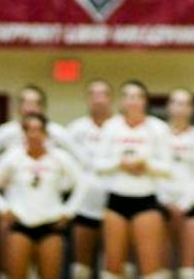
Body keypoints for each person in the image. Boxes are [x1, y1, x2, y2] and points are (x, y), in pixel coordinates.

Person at [96, 80, 173, 279]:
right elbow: (98, 165)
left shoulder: (159, 128)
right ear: (122, 101)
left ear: (145, 101)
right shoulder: (111, 127)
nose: (133, 101)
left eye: (138, 97)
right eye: (128, 97)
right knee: (112, 268)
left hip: (146, 201)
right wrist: (120, 163)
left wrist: (146, 164)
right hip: (116, 200)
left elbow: (168, 168)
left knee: (151, 268)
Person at [0, 113, 85, 279]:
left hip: (50, 226)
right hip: (21, 225)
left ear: (45, 133)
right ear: (24, 133)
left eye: (38, 130)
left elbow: (82, 182)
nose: (34, 134)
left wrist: (69, 211)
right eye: (29, 130)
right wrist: (3, 208)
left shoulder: (59, 157)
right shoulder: (12, 157)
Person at [160, 89, 194, 279]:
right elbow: (153, 172)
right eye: (175, 102)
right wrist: (166, 202)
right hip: (161, 205)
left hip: (191, 207)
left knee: (188, 269)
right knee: (161, 268)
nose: (180, 108)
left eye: (185, 104)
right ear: (168, 107)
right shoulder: (157, 134)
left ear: (192, 109)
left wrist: (183, 205)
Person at [66, 78, 115, 279]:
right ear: (87, 99)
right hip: (84, 206)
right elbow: (65, 165)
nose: (99, 100)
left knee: (113, 265)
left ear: (111, 99)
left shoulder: (119, 127)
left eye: (103, 94)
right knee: (81, 267)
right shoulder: (75, 129)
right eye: (94, 95)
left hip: (115, 204)